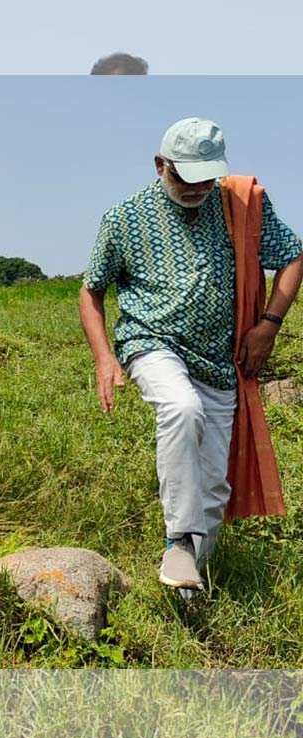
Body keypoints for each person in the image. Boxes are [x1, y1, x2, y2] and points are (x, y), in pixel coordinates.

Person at [80, 117, 302, 591]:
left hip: (220, 359)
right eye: (186, 178)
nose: (198, 188)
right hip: (151, 341)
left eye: (207, 178)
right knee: (181, 408)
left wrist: (269, 324)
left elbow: (292, 256)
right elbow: (91, 290)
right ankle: (179, 539)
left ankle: (188, 581)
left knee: (214, 486)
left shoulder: (238, 205)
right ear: (160, 164)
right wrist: (104, 358)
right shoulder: (124, 218)